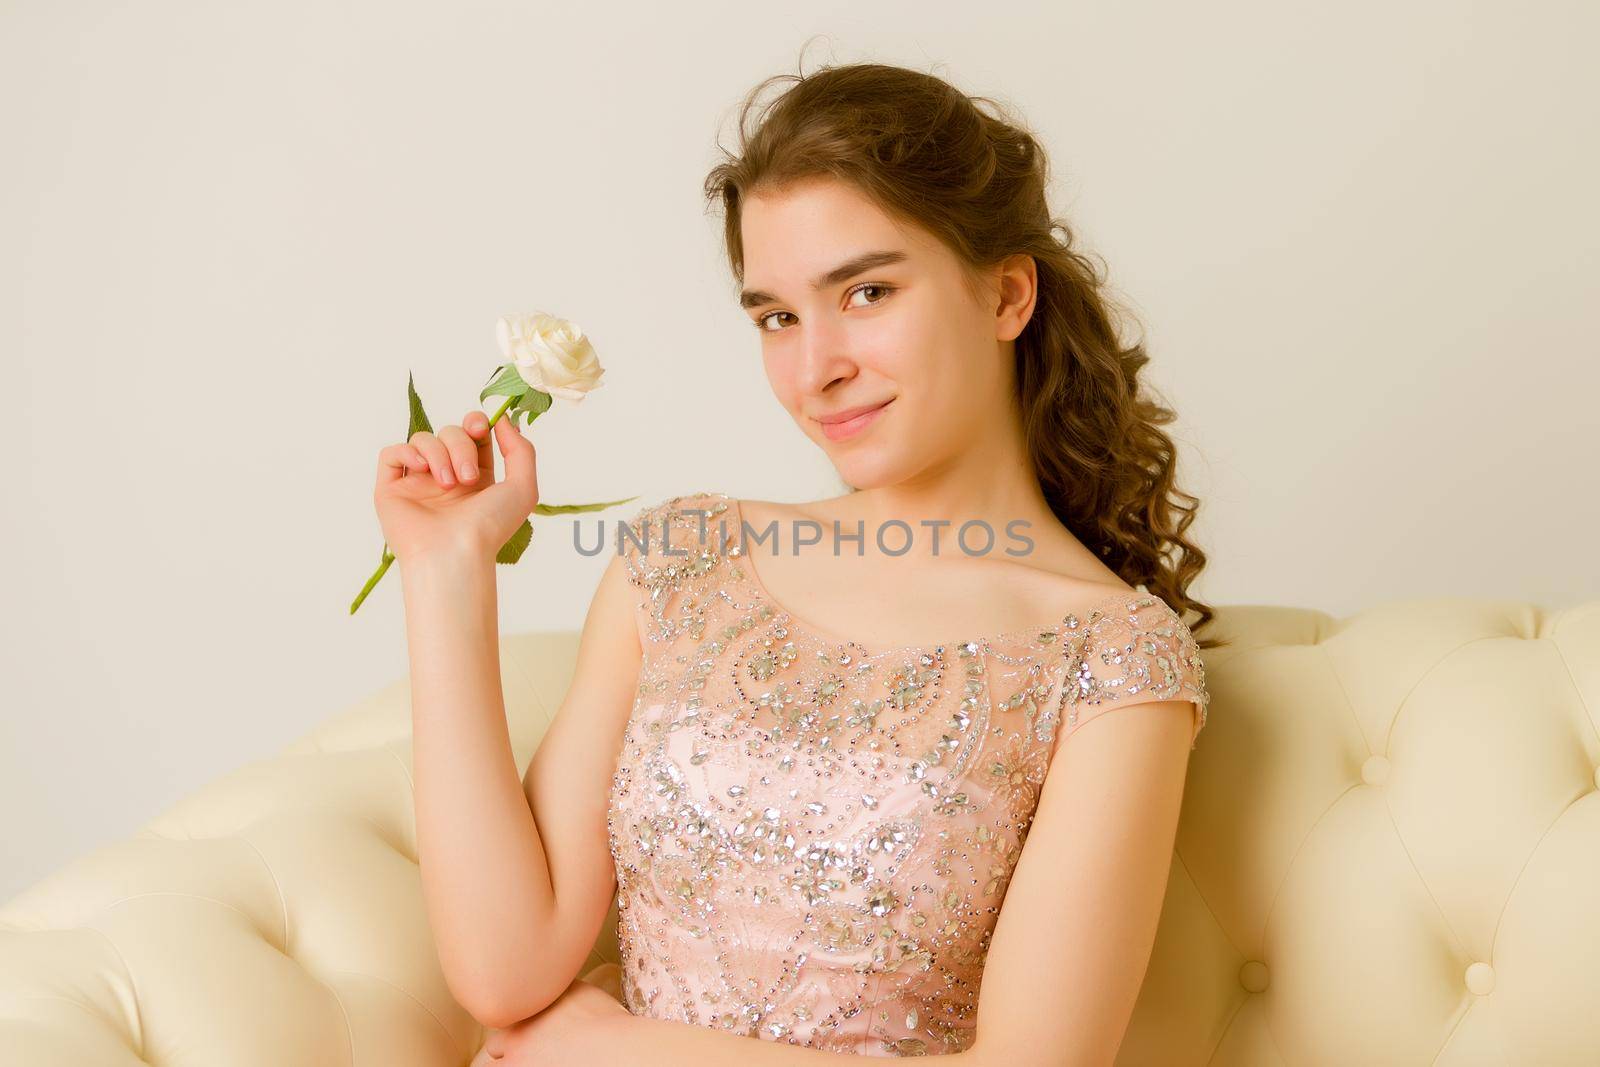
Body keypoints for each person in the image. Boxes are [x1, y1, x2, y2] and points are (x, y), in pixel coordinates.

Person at [374, 56, 1226, 1066]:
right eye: (776, 316)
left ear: (1004, 294)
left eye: (865, 291)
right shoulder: (685, 559)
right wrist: (447, 571)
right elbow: (506, 969)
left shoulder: (1115, 658)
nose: (814, 367)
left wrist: (622, 1050)